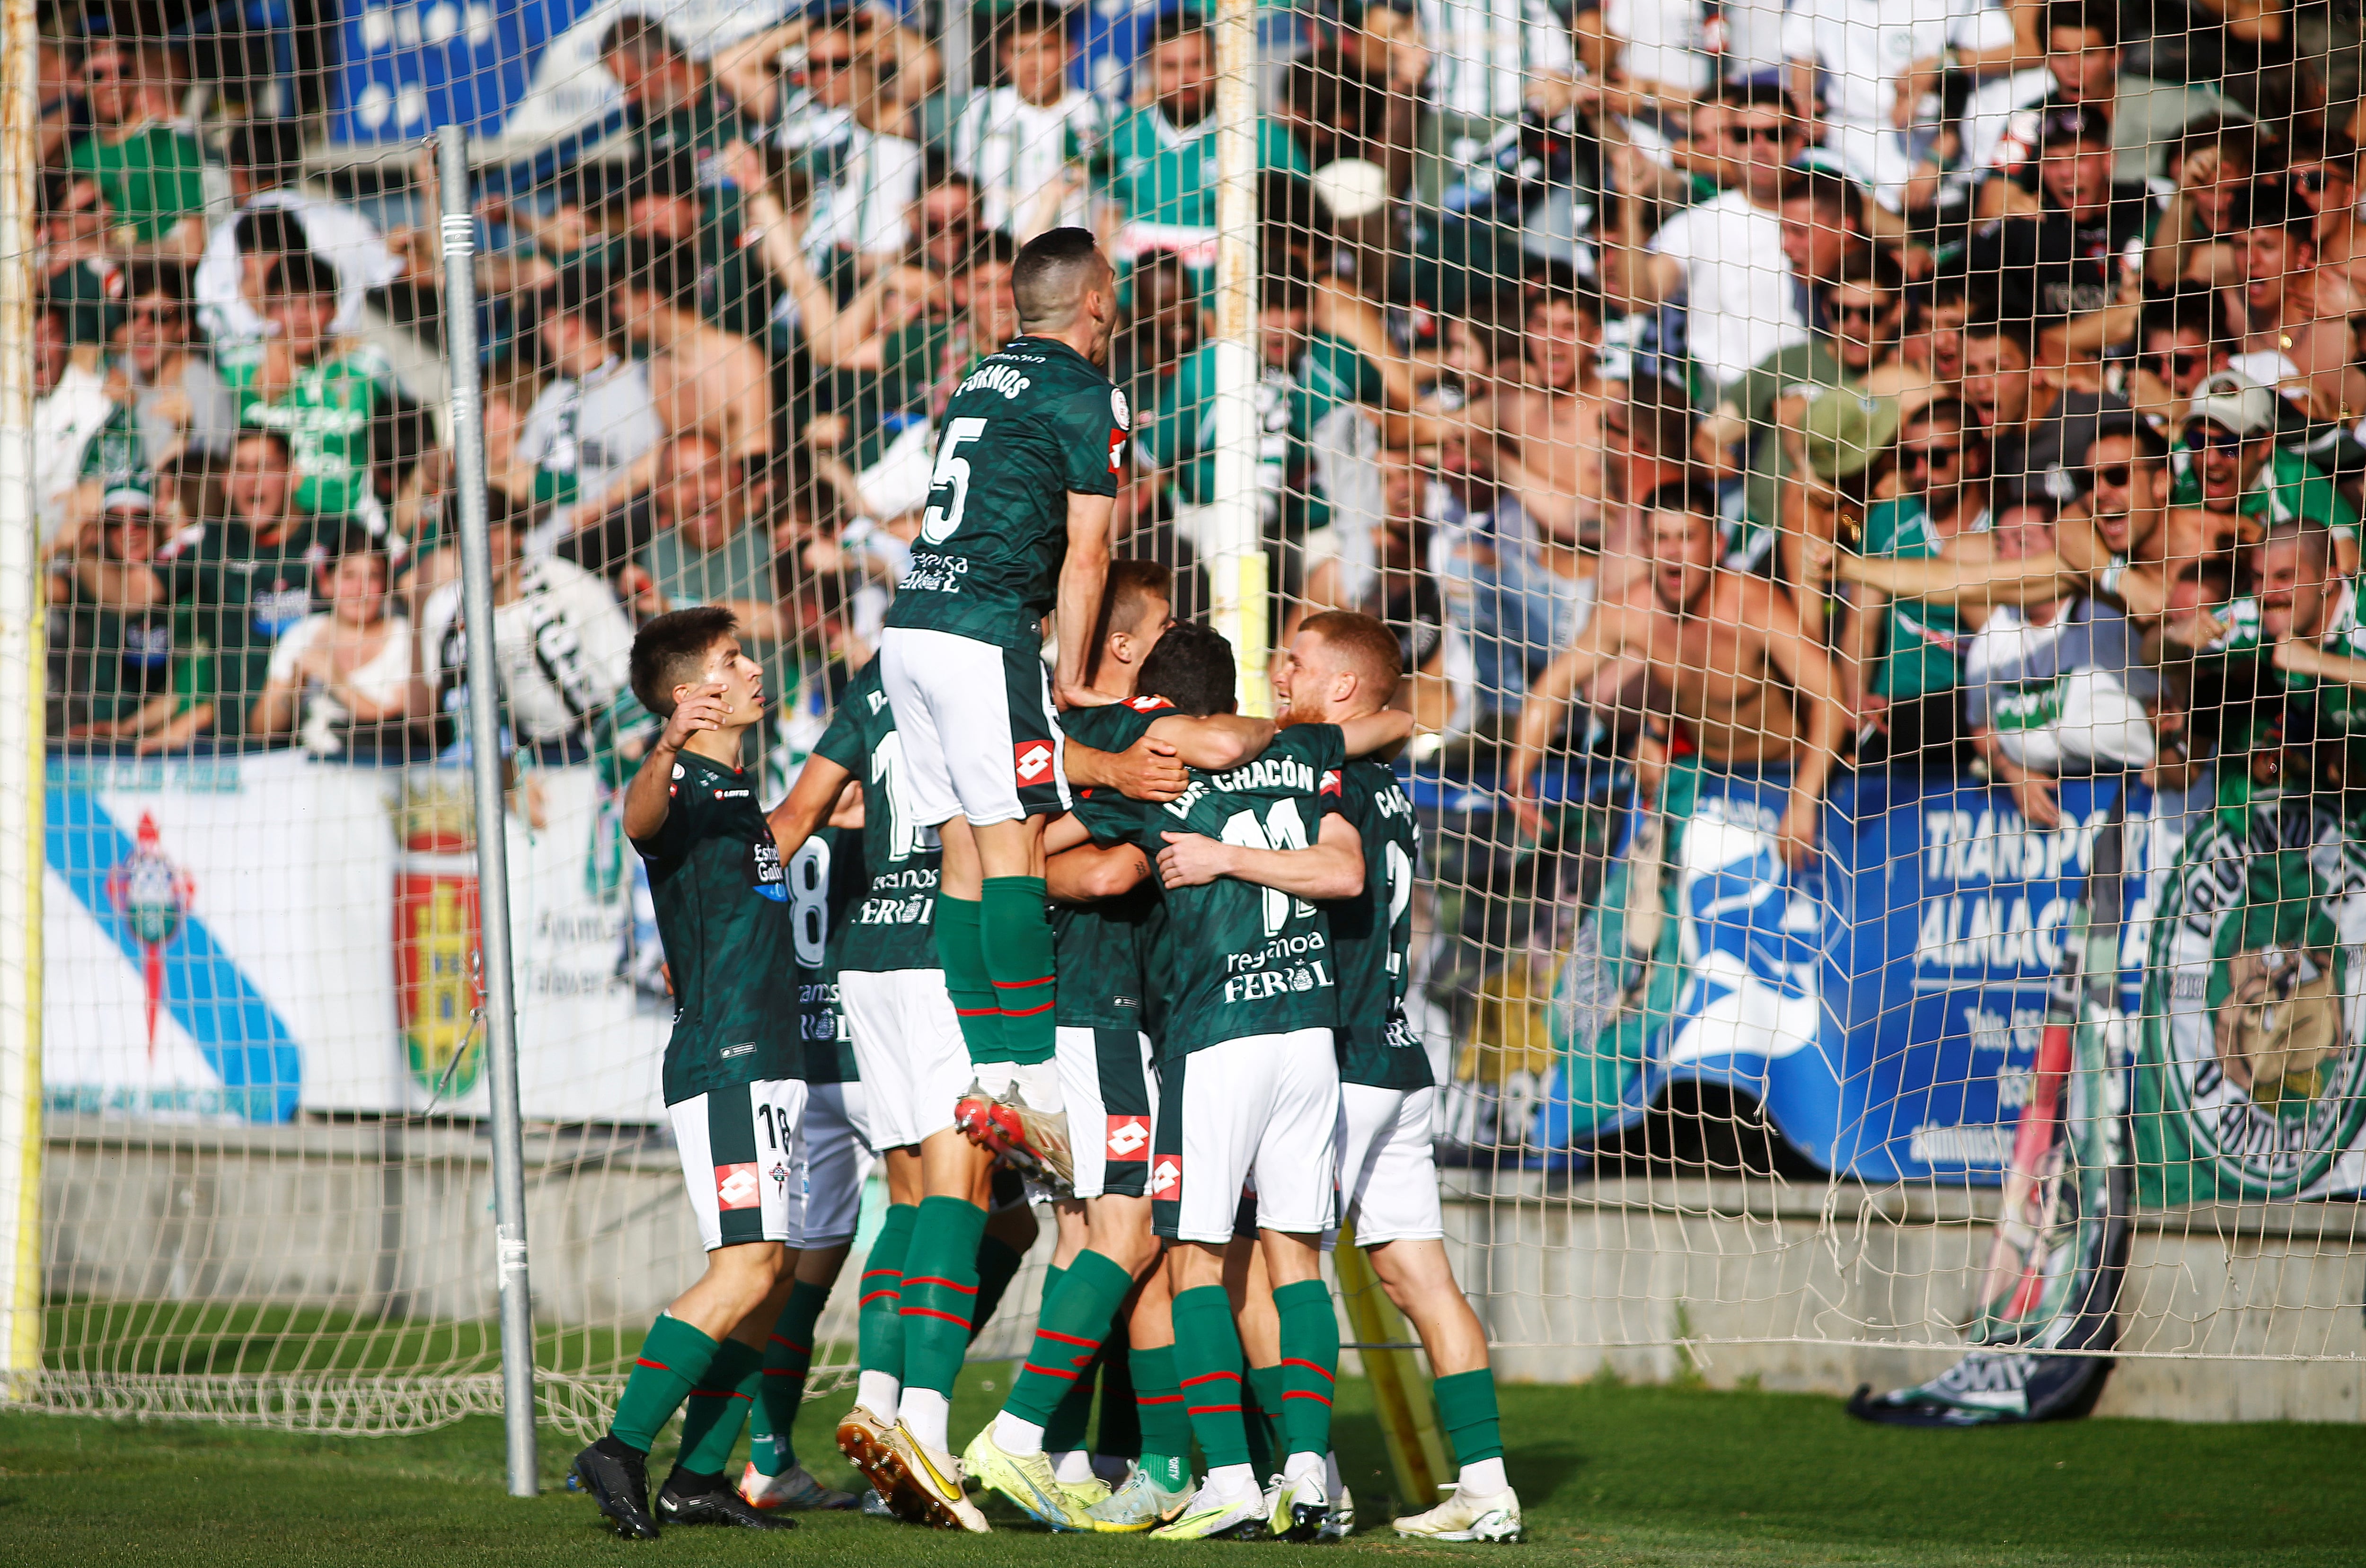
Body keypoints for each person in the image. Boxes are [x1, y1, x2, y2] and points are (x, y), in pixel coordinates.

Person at [1182, 611, 1519, 1542]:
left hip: (1337, 1055)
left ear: (1342, 690)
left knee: (1257, 1258)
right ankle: (1486, 1486)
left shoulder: (1328, 783)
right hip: (1402, 1054)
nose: (1276, 670)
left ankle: (1311, 1473)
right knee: (1419, 1277)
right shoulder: (1393, 785)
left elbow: (1331, 876)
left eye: (1295, 660)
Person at [962, 563, 1279, 1532]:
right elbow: (1099, 871)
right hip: (1100, 1014)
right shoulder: (1145, 742)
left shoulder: (1071, 736)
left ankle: (1127, 1461)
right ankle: (1014, 1437)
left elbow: (1005, 849)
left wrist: (1016, 874)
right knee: (1141, 1232)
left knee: (1104, 1242)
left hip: (1069, 1012)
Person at [1081, 622, 1407, 1540]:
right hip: (1307, 1033)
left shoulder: (1162, 767)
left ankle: (1226, 1477)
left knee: (1194, 1260)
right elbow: (1346, 854)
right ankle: (1306, 1475)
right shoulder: (1308, 752)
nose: (1282, 672)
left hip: (1215, 1032)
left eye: (1295, 662)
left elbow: (1075, 850)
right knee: (1296, 1260)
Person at [874, 227, 1131, 1176]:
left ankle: (992, 1077)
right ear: (1095, 300)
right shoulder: (1086, 392)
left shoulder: (980, 377)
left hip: (909, 622)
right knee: (1014, 837)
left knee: (960, 845)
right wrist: (1070, 669)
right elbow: (1087, 550)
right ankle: (1042, 1091)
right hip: (984, 632)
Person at [569, 608, 803, 1540]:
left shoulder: (741, 793)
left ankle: (700, 1475)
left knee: (771, 1274)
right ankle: (619, 1448)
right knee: (744, 1265)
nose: (750, 671)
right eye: (729, 661)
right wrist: (664, 748)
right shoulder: (689, 786)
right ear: (688, 697)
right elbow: (642, 822)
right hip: (727, 1058)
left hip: (771, 1061)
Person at [1509, 498, 1849, 869]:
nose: (1673, 553)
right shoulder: (1631, 612)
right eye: (1660, 537)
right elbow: (1558, 682)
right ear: (1644, 547)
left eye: (1686, 537)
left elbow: (1829, 694)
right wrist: (1519, 773)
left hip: (1790, 776)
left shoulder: (1752, 606)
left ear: (1716, 546)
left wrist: (1804, 797)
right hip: (1709, 786)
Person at [1961, 498, 2159, 827]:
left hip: (2138, 798)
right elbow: (1981, 725)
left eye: (2023, 543)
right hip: (2050, 815)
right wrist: (2013, 772)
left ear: (2061, 547)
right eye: (2000, 544)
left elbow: (2169, 699)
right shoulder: (1992, 636)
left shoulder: (2106, 620)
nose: (2007, 556)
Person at [1614, 83, 1807, 391]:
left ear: (1797, 142)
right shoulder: (1700, 223)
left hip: (1815, 408)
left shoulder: (1830, 211)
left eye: (1774, 134)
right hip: (1726, 410)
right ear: (1730, 143)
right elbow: (1637, 298)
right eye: (1745, 136)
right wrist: (1629, 204)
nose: (1759, 146)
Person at [417, 493, 633, 765]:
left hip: (597, 742)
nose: (484, 543)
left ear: (518, 535)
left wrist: (629, 742)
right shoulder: (444, 609)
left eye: (496, 529)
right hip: (509, 754)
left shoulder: (564, 583)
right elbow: (439, 699)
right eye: (470, 532)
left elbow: (626, 671)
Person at [1845, 398, 1994, 771]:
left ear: (1975, 459)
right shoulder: (1887, 523)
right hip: (1902, 707)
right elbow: (1861, 625)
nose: (1922, 472)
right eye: (1910, 461)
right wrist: (1857, 697)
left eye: (1938, 458)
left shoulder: (2008, 530)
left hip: (1980, 705)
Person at [219, 253, 401, 535]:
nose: (301, 318)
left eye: (315, 304)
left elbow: (416, 420)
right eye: (289, 304)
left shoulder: (365, 364)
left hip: (349, 527)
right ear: (269, 309)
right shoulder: (241, 367)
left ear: (335, 309)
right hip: (271, 528)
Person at [194, 118, 402, 345]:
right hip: (337, 368)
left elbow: (209, 317)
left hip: (258, 371)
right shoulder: (344, 220)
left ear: (239, 168)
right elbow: (407, 270)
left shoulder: (226, 236)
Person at [516, 262, 662, 537]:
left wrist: (601, 506)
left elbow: (657, 460)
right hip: (536, 549)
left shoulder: (641, 383)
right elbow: (521, 471)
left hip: (604, 546)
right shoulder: (554, 392)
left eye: (546, 321)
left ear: (568, 325)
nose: (541, 333)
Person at [2169, 370, 2359, 570]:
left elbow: (2347, 568)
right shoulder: (2181, 469)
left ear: (2264, 445)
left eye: (2230, 446)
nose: (2210, 459)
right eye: (2198, 441)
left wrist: (2260, 539)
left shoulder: (2297, 484)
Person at [949, 4, 1105, 242]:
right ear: (1003, 56)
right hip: (993, 261)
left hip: (1070, 261)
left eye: (1045, 49)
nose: (1033, 62)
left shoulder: (1101, 114)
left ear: (1069, 51)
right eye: (1020, 51)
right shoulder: (979, 109)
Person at [248, 545, 419, 761]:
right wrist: (294, 686)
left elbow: (402, 722)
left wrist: (338, 682)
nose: (359, 589)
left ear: (386, 586)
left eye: (372, 576)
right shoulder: (301, 633)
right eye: (349, 576)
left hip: (377, 764)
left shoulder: (405, 636)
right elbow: (261, 731)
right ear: (326, 583)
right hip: (308, 767)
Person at [615, 237, 773, 466]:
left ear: (648, 299)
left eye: (621, 300)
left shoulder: (738, 359)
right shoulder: (658, 367)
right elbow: (662, 458)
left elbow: (755, 456)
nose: (616, 311)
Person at [67, 40, 206, 264]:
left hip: (153, 286)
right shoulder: (78, 157)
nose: (113, 83)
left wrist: (102, 251)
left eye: (122, 72)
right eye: (97, 75)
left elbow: (191, 247)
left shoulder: (166, 144)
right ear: (77, 84)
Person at [112, 263, 238, 463]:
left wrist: (184, 435)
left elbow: (208, 483)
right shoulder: (121, 369)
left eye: (159, 317)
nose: (142, 327)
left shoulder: (207, 392)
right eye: (133, 315)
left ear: (184, 327)